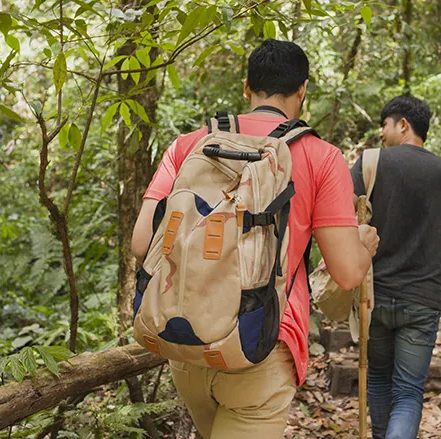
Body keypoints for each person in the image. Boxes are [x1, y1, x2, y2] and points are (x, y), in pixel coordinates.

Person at [131, 39, 379, 439]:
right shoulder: (321, 156)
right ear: (303, 90)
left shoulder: (188, 145)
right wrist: (364, 246)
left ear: (247, 87)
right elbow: (347, 273)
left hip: (188, 339)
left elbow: (143, 244)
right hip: (260, 343)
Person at [351, 95, 441, 439]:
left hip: (374, 296)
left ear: (402, 124)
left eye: (385, 125)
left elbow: (341, 217)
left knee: (377, 377)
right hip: (422, 299)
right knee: (407, 391)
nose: (381, 133)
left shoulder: (370, 163)